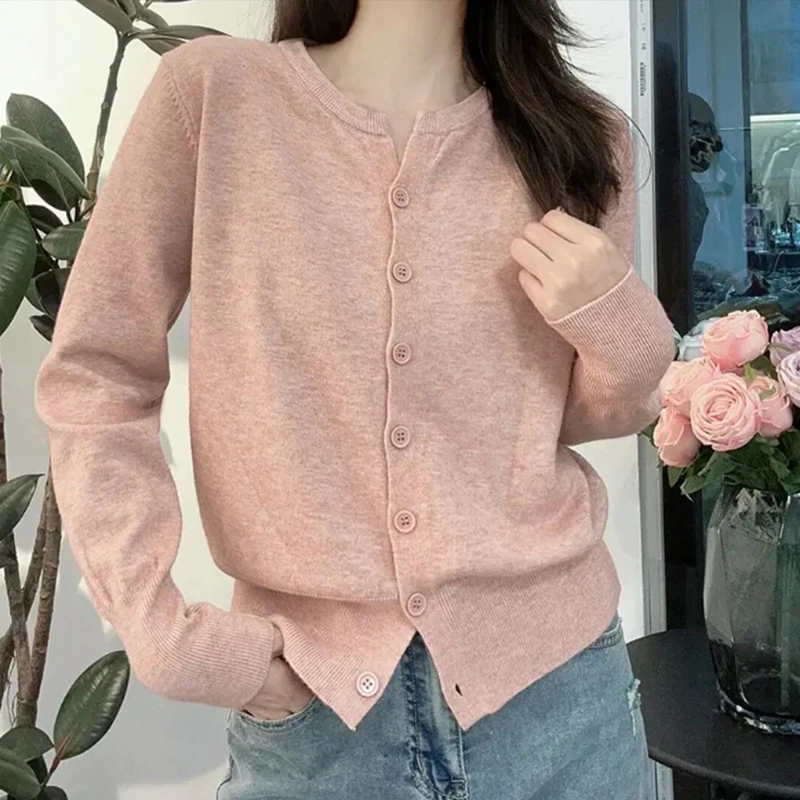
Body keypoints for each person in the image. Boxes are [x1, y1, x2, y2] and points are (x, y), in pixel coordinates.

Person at [33, 1, 675, 798]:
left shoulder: (580, 137)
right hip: (316, 716)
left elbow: (574, 416)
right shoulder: (217, 98)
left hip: (560, 697)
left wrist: (626, 330)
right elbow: (96, 372)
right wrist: (165, 637)